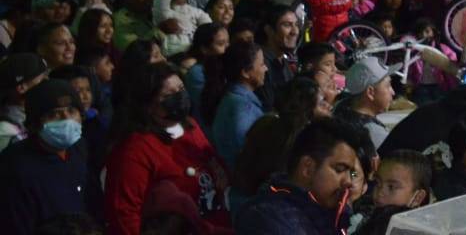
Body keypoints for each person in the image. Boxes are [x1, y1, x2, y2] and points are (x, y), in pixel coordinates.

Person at [103, 62, 231, 235]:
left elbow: (212, 161)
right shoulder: (134, 151)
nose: (180, 96)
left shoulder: (190, 126)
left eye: (181, 88)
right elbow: (124, 214)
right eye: (169, 95)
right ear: (148, 105)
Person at [234, 117, 368, 235]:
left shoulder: (332, 214)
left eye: (352, 173)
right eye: (340, 170)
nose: (348, 181)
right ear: (308, 168)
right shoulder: (267, 217)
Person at [0, 79, 93, 235]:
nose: (66, 119)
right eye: (54, 114)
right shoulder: (15, 167)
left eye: (71, 111)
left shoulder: (78, 148)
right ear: (35, 123)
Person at [231, 77, 331, 211]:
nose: (328, 105)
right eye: (322, 103)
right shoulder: (300, 139)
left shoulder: (268, 121)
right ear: (307, 109)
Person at [202, 40, 268, 172]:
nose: (266, 68)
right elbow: (248, 156)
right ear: (245, 72)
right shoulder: (241, 109)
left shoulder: (235, 99)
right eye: (261, 64)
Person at [353, 150, 433, 235]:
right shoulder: (366, 207)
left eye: (391, 187)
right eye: (377, 182)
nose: (380, 192)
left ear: (417, 197)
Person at [335, 57, 397, 150]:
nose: (393, 92)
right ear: (370, 92)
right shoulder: (373, 132)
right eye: (388, 86)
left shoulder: (340, 107)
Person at [0, 53, 49, 151]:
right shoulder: (5, 131)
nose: (49, 82)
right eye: (42, 80)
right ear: (22, 88)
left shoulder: (37, 113)